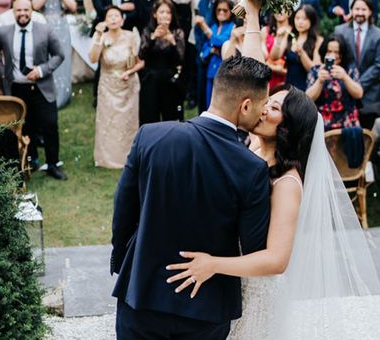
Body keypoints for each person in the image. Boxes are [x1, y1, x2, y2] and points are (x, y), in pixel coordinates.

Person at [164, 0, 380, 339]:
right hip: (227, 289)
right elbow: (253, 70)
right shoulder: (253, 146)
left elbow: (277, 260)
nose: (261, 107)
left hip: (256, 297)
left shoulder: (287, 184)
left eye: (272, 107)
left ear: (287, 128)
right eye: (266, 101)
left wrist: (213, 264)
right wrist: (253, 15)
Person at [110, 53, 273, 340]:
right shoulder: (251, 168)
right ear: (245, 105)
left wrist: (125, 263)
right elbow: (252, 246)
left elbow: (123, 212)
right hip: (206, 307)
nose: (263, 113)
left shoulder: (149, 136)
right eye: (262, 105)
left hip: (142, 294)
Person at [0, 0, 67, 180]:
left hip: (41, 88)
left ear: (31, 10)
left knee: (49, 124)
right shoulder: (4, 31)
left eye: (26, 10)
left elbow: (59, 55)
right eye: (19, 10)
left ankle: (53, 163)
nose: (23, 13)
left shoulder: (45, 29)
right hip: (16, 89)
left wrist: (41, 70)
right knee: (25, 127)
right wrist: (0, 68)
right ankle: (29, 161)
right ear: (13, 12)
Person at [89, 6, 143, 169]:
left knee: (128, 122)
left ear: (122, 19)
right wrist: (98, 36)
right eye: (109, 16)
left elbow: (139, 61)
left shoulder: (130, 36)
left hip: (128, 84)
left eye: (116, 16)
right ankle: (107, 158)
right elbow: (92, 58)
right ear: (105, 20)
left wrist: (129, 72)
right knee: (108, 121)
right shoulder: (101, 37)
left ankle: (129, 155)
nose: (113, 19)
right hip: (107, 84)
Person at [335, 0, 380, 127]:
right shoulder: (340, 31)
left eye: (363, 9)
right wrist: (349, 82)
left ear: (370, 11)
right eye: (356, 9)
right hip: (344, 90)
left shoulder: (379, 34)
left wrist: (357, 84)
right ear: (351, 10)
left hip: (370, 91)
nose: (359, 12)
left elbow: (379, 65)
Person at [32, 0, 77, 108]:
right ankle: (47, 94)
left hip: (62, 28)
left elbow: (73, 7)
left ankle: (63, 95)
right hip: (45, 27)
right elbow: (36, 6)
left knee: (62, 57)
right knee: (47, 58)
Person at [138, 0, 186, 124]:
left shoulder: (177, 32)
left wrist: (173, 43)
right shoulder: (148, 31)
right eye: (161, 12)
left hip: (170, 81)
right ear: (155, 14)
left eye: (168, 12)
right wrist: (153, 38)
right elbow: (142, 55)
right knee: (149, 117)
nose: (165, 15)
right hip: (150, 80)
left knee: (170, 118)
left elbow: (180, 60)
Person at [305, 34, 363, 129]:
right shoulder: (315, 71)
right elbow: (308, 98)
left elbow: (359, 94)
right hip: (322, 121)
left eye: (337, 52)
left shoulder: (350, 69)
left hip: (347, 120)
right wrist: (319, 81)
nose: (333, 55)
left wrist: (345, 77)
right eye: (329, 51)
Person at [268, 4, 322, 90]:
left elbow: (313, 70)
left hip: (307, 87)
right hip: (289, 86)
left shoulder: (318, 40)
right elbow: (274, 57)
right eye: (297, 18)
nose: (300, 22)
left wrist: (302, 53)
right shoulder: (290, 35)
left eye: (304, 19)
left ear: (311, 20)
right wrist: (278, 40)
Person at [199, 0, 236, 107]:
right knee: (209, 104)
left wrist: (204, 27)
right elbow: (204, 49)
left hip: (224, 72)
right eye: (218, 10)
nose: (221, 12)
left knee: (222, 105)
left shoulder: (232, 27)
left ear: (230, 12)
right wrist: (210, 50)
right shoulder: (214, 27)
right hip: (211, 71)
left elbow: (221, 41)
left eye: (225, 10)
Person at [262, 13, 289, 90]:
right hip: (266, 76)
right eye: (277, 8)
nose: (280, 11)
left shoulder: (293, 31)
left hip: (285, 78)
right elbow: (264, 56)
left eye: (283, 7)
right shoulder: (265, 30)